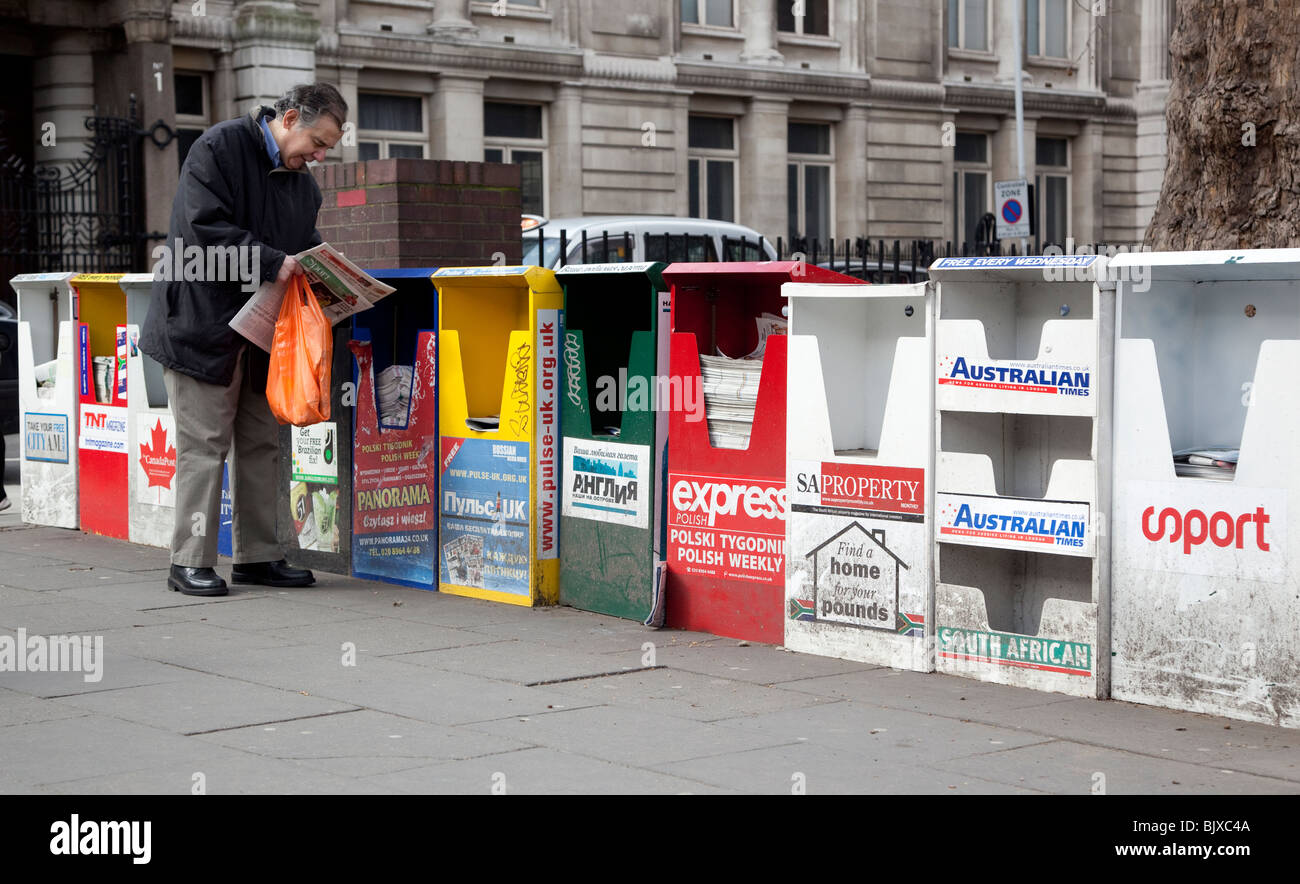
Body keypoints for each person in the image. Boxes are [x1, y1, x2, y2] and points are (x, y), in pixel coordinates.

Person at [139, 84, 347, 596]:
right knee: (203, 447)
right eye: (316, 142)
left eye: (327, 149)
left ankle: (258, 557)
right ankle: (188, 562)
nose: (319, 156)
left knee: (261, 445)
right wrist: (277, 262)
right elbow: (201, 229)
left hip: (260, 333)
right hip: (200, 326)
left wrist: (330, 272)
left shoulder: (305, 185)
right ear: (291, 116)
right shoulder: (219, 147)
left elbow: (302, 244)